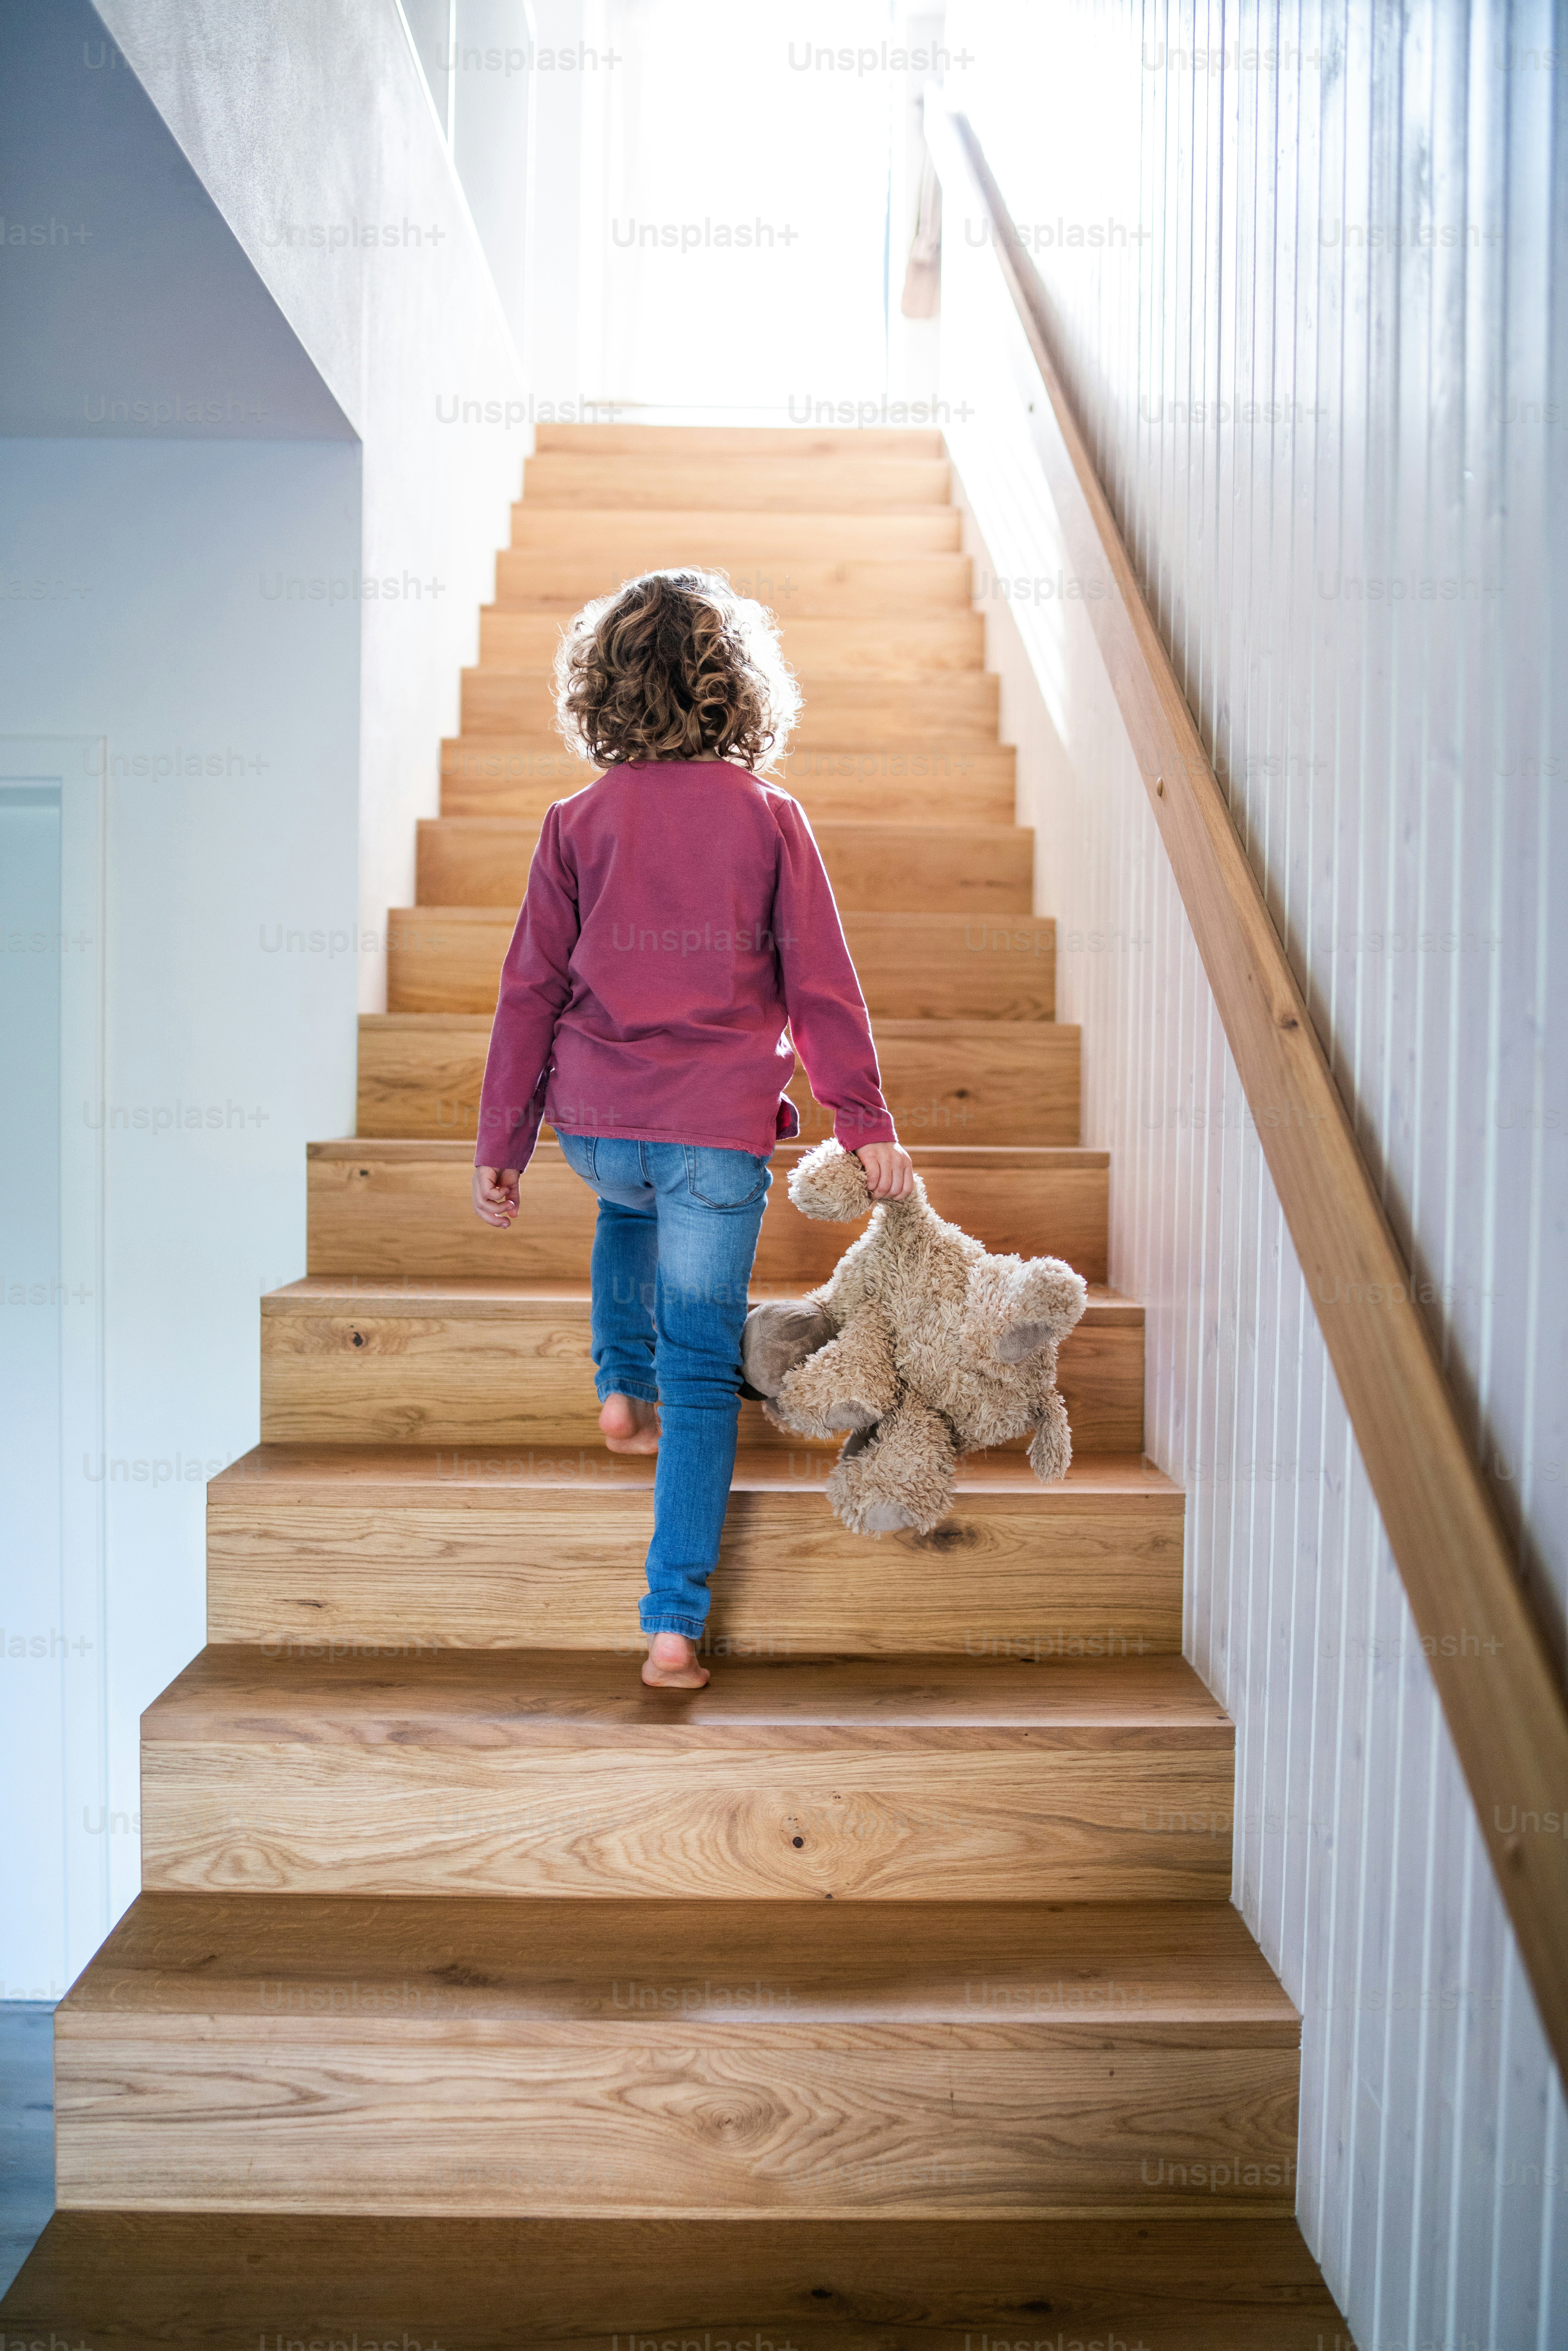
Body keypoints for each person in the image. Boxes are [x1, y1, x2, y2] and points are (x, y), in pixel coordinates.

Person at [472, 567, 914, 1689]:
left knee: (626, 1207)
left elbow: (527, 991)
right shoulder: (770, 819)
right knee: (706, 1372)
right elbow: (823, 987)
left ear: (604, 690)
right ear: (739, 693)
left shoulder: (575, 823)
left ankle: (619, 1386)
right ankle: (672, 1628)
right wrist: (862, 1121)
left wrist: (503, 1144)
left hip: (598, 1121)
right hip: (715, 1137)